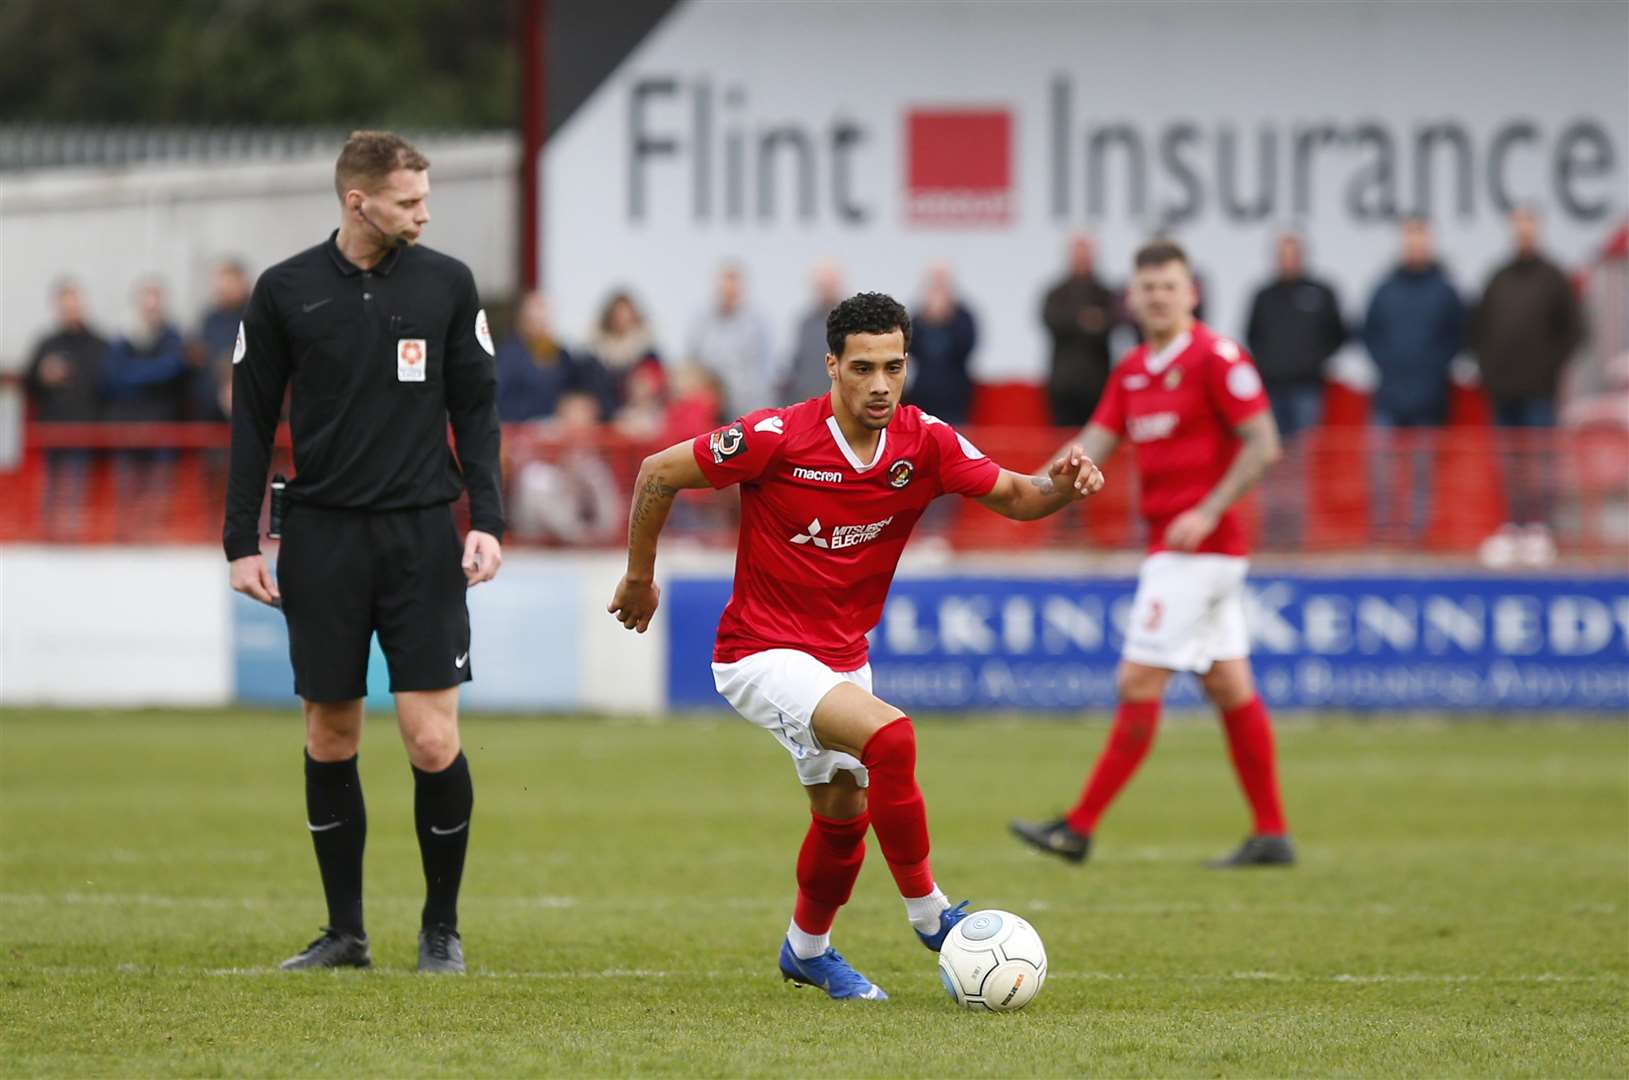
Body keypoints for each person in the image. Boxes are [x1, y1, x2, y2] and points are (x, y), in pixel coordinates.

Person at [607, 292, 1106, 1000]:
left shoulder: (924, 441)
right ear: (831, 366)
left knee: (843, 813)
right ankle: (931, 913)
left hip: (842, 656)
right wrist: (638, 578)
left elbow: (1019, 498)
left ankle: (806, 952)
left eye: (893, 368)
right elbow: (658, 470)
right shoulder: (776, 435)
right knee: (891, 739)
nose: (879, 384)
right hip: (759, 652)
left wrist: (1061, 488)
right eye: (863, 367)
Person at [224, 130, 505, 975]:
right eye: (410, 200)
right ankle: (345, 935)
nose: (425, 212)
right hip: (322, 538)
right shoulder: (285, 291)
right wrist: (242, 542)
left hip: (422, 535)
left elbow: (478, 408)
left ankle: (440, 931)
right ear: (359, 201)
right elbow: (249, 420)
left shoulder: (448, 283)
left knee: (429, 739)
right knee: (330, 734)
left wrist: (485, 517)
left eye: (426, 198)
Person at [1010, 239, 1292, 870]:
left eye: (1170, 286)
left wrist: (1209, 510)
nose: (1159, 296)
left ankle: (1077, 828)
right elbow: (1091, 445)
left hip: (1197, 551)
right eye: (1148, 287)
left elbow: (1264, 443)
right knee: (1228, 684)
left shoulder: (1218, 358)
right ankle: (1272, 832)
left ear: (1191, 293)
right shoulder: (1133, 368)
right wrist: (1017, 488)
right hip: (1184, 552)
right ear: (1131, 299)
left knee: (1138, 678)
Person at [1470, 206, 1586, 565]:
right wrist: (1489, 370)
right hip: (1503, 389)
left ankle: (1539, 528)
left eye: (1528, 223)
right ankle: (1512, 527)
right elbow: (1478, 329)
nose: (1523, 230)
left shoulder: (1553, 277)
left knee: (1539, 461)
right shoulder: (1498, 277)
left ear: (1537, 228)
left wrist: (1548, 368)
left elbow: (1575, 332)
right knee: (1508, 462)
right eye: (1517, 224)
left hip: (1539, 389)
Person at [1362, 217, 1465, 543]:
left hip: (1430, 396)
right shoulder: (1385, 289)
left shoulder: (1445, 291)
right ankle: (1384, 532)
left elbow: (1457, 337)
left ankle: (1417, 536)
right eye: (1409, 239)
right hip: (1389, 394)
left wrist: (1434, 370)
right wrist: (1388, 366)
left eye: (1421, 239)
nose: (1415, 245)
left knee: (1423, 473)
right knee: (1383, 470)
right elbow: (1369, 334)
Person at [24, 279, 108, 535]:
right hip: (51, 432)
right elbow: (29, 384)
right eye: (65, 306)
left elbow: (105, 384)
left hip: (84, 432)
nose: (70, 310)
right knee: (50, 490)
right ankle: (49, 535)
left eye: (74, 305)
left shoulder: (98, 344)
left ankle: (73, 538)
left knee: (77, 491)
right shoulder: (46, 344)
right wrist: (43, 375)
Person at [1244, 232, 1346, 441]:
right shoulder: (1264, 295)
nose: (1288, 261)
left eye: (1292, 255)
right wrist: (1268, 364)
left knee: (1307, 450)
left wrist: (1314, 361)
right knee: (1273, 449)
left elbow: (1339, 333)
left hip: (1308, 387)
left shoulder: (1320, 291)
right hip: (1272, 387)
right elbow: (1252, 335)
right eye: (1283, 255)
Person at [496, 292, 616, 422]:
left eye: (545, 318)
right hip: (525, 429)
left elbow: (582, 380)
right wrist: (556, 408)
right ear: (522, 320)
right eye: (536, 319)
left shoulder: (559, 352)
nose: (542, 324)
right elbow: (501, 403)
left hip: (558, 429)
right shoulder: (509, 356)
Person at [1041, 233, 1121, 426]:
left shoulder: (1105, 292)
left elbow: (1113, 321)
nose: (1081, 259)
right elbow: (1053, 321)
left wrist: (1077, 320)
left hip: (1097, 381)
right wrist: (1087, 320)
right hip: (1063, 383)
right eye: (1078, 253)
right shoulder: (1056, 292)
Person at [687, 262, 773, 417]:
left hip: (744, 406)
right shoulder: (703, 322)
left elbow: (764, 369)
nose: (728, 295)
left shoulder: (756, 324)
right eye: (724, 290)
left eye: (732, 291)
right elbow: (694, 361)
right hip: (711, 407)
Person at [905, 263, 977, 425]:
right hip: (924, 391)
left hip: (956, 393)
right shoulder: (918, 317)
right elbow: (909, 347)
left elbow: (967, 346)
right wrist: (927, 321)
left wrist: (947, 319)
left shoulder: (963, 316)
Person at [190, 259, 253, 422]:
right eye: (221, 284)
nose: (224, 289)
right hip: (212, 409)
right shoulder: (210, 320)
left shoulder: (258, 315)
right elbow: (203, 356)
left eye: (230, 283)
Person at [781, 258, 846, 404]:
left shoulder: (853, 321)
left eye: (831, 285)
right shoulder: (806, 323)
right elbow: (797, 364)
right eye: (823, 286)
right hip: (812, 401)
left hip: (844, 401)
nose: (827, 290)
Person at [586, 289, 662, 408]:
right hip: (602, 417)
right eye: (617, 314)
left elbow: (657, 385)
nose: (622, 318)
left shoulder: (647, 352)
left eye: (626, 313)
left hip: (636, 416)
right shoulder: (594, 354)